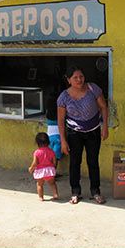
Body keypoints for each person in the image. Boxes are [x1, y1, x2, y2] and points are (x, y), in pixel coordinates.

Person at [57, 65, 109, 205]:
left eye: (81, 76)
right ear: (69, 80)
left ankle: (95, 191)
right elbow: (61, 120)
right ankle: (75, 192)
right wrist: (63, 140)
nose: (79, 80)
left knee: (93, 162)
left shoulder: (93, 89)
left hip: (93, 131)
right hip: (74, 133)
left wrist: (105, 127)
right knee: (75, 163)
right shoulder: (64, 97)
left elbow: (103, 107)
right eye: (75, 77)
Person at [28, 132, 59, 201]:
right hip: (49, 170)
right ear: (48, 142)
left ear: (37, 143)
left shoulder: (37, 152)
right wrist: (52, 167)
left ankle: (41, 197)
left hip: (40, 171)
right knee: (52, 183)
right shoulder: (51, 151)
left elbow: (35, 163)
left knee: (39, 185)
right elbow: (54, 161)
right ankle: (55, 194)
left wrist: (31, 168)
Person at [45, 95, 62, 175]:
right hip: (58, 137)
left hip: (49, 136)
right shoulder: (60, 113)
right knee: (55, 158)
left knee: (50, 156)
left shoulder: (48, 113)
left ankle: (48, 172)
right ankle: (52, 174)